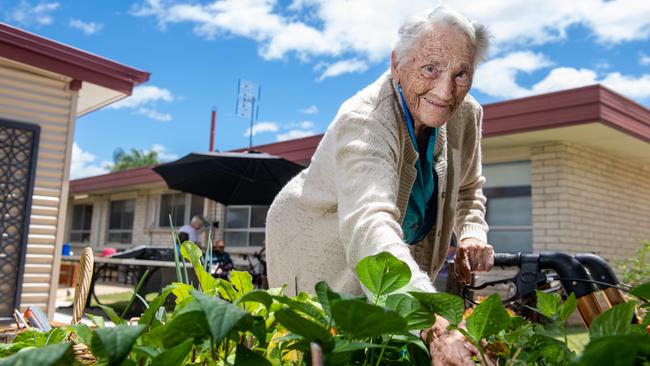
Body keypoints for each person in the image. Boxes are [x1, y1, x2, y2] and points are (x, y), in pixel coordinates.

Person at [266, 6, 494, 365]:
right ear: (396, 64)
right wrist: (434, 326)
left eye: (461, 74)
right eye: (430, 68)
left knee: (392, 345)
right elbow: (369, 225)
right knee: (326, 347)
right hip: (318, 239)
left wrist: (471, 234)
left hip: (395, 258)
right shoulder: (364, 120)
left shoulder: (468, 114)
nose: (446, 91)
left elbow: (468, 189)